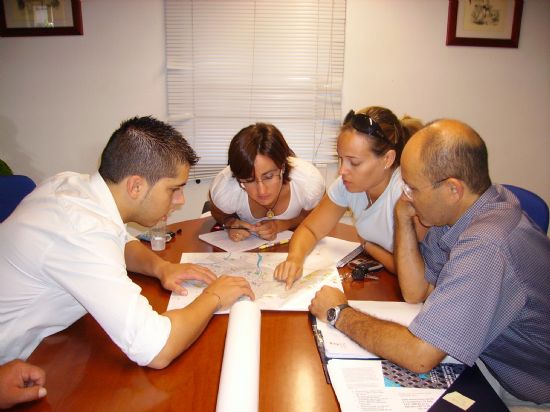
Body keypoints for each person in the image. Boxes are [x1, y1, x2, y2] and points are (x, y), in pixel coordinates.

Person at [309, 119, 550, 408]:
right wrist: (403, 218)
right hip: (489, 359)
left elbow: (420, 356)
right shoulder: (462, 212)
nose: (405, 195)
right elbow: (417, 291)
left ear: (452, 189)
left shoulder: (487, 244)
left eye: (411, 188)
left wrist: (339, 313)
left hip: (527, 392)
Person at [0, 116, 255, 369]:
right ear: (136, 186)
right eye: (173, 189)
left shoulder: (71, 185)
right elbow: (157, 348)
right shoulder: (82, 231)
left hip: (54, 342)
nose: (180, 201)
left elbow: (120, 240)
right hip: (14, 361)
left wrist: (161, 268)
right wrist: (215, 297)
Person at [274, 106, 422, 288]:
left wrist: (368, 246)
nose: (342, 170)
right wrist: (294, 259)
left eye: (354, 162)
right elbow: (310, 230)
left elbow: (415, 274)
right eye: (341, 159)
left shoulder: (407, 194)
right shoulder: (348, 184)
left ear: (387, 159)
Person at [209, 122, 325, 242]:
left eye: (269, 176)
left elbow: (319, 215)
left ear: (283, 167)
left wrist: (282, 224)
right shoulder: (227, 186)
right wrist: (230, 223)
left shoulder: (307, 181)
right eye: (249, 180)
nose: (261, 190)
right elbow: (218, 213)